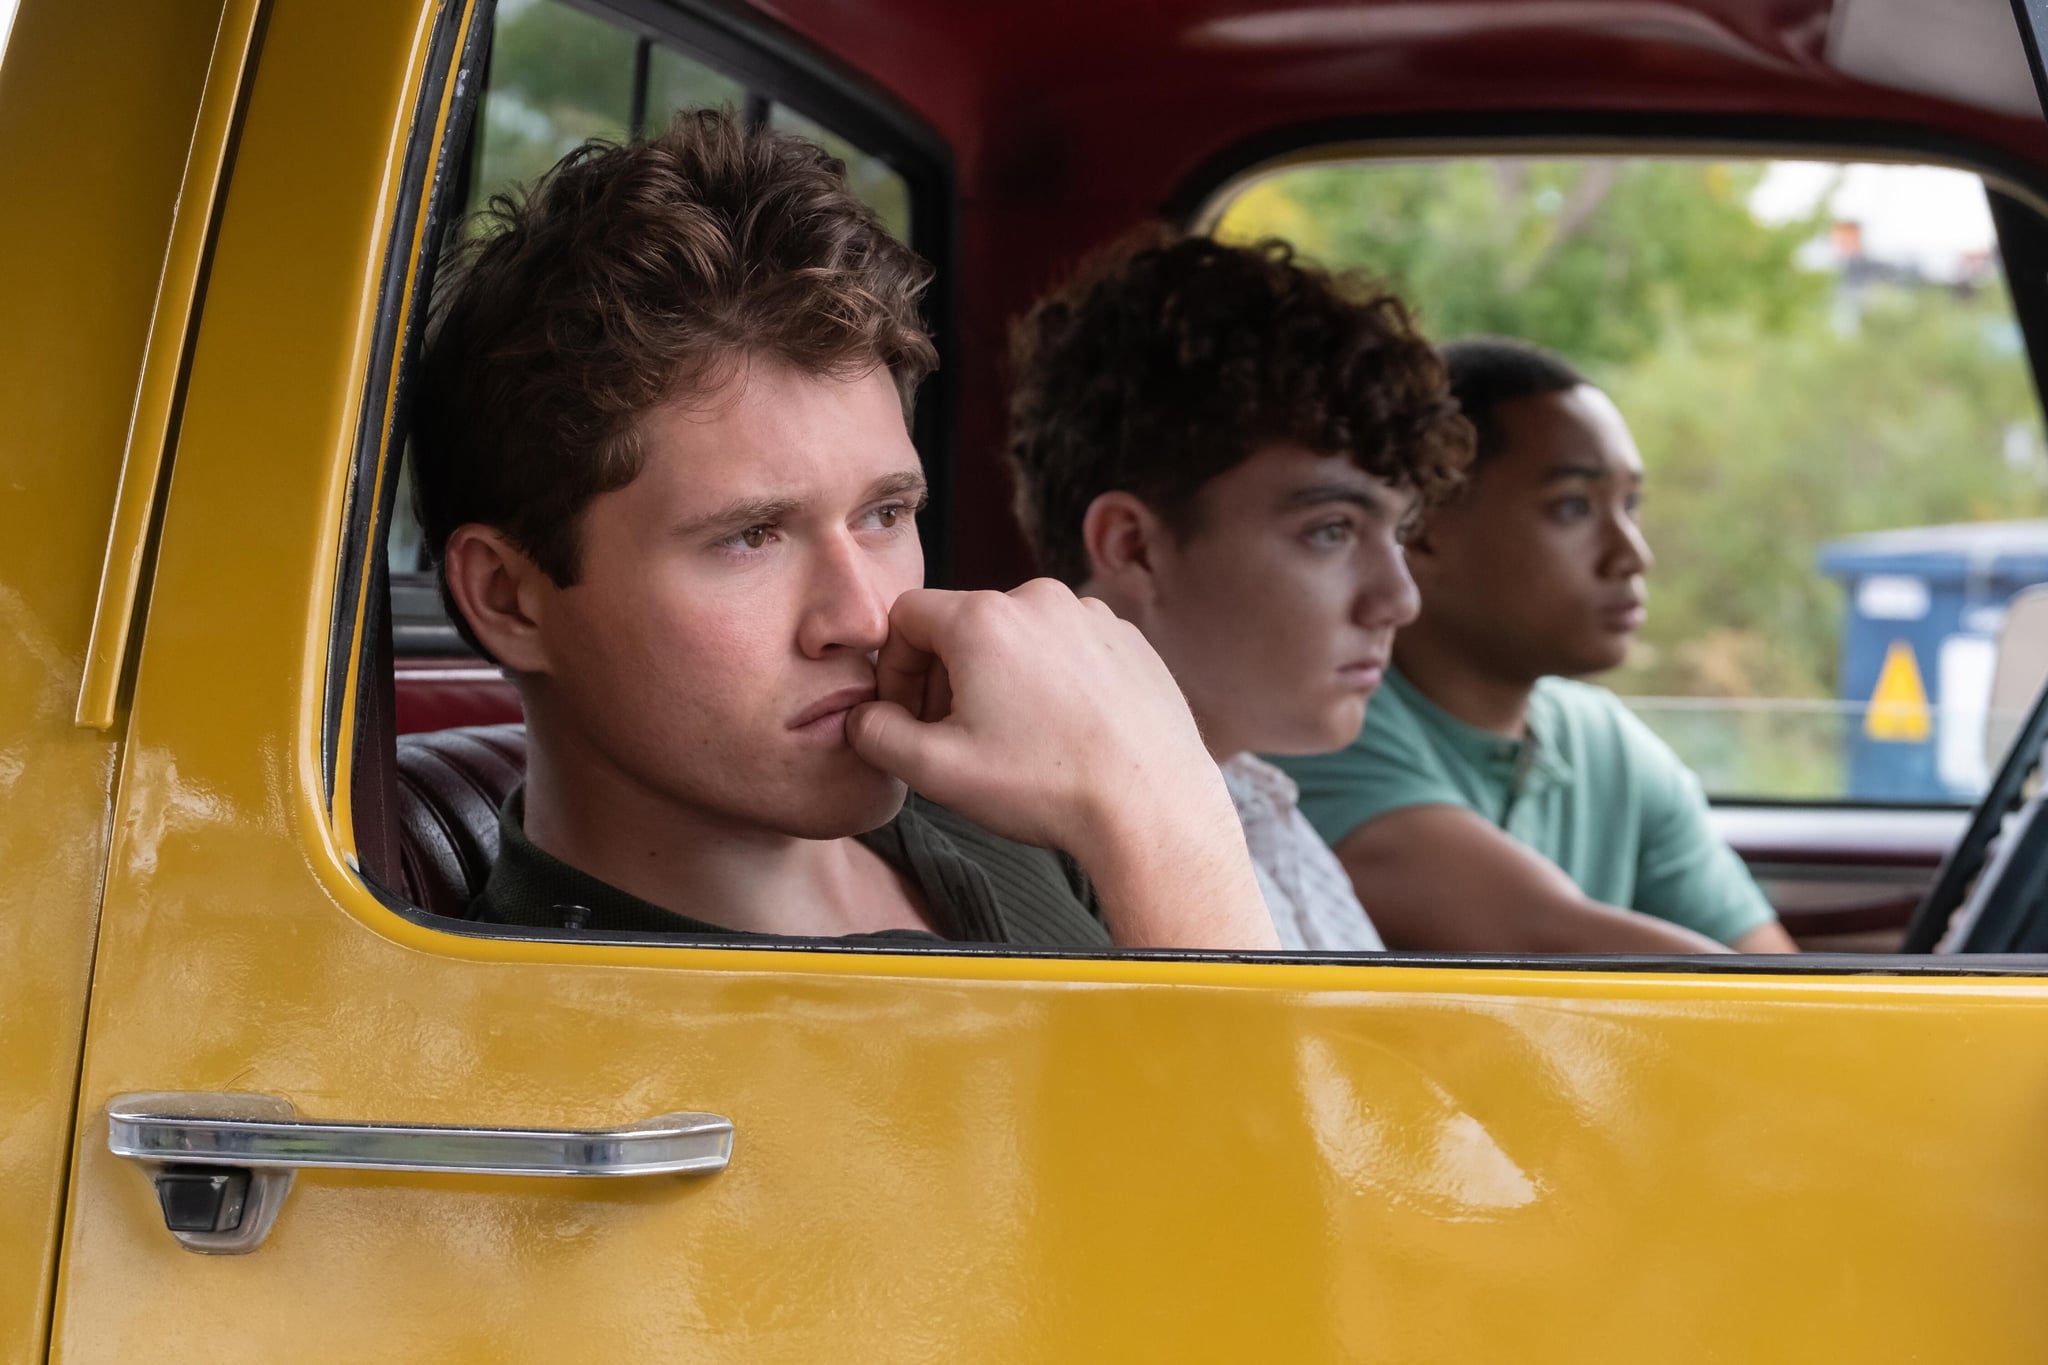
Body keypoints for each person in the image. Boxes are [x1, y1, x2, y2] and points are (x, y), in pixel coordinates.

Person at [409, 110, 1276, 951]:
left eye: (885, 514)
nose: (864, 617)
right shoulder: (564, 1036)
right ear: (509, 597)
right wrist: (1166, 817)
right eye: (751, 536)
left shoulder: (1004, 810)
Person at [1006, 233, 1471, 950]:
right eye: (1331, 531)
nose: (1399, 599)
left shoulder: (1259, 798)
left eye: (1400, 531)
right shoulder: (1028, 850)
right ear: (1133, 546)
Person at [1274, 337, 1797, 954]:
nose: (1632, 554)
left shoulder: (1608, 747)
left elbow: (1766, 964)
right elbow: (1541, 936)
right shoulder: (1323, 726)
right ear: (1425, 535)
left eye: (1630, 505)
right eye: (1573, 507)